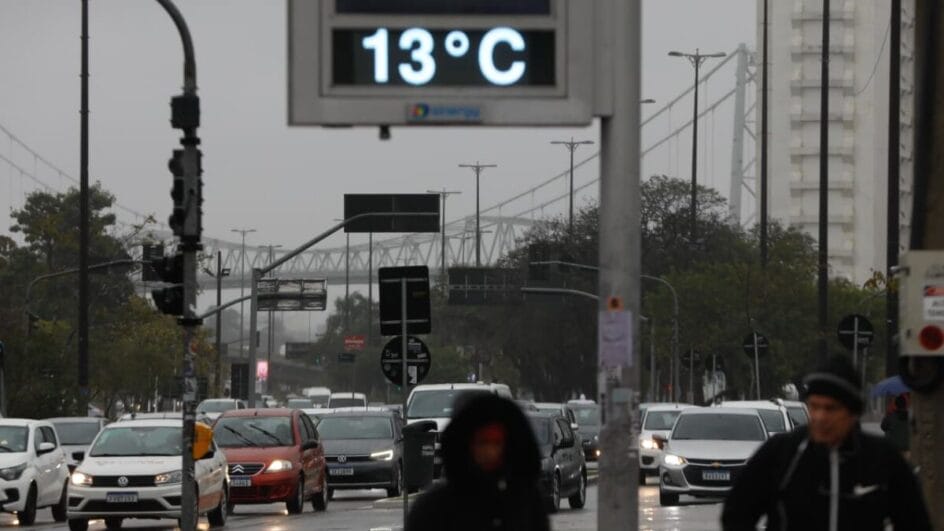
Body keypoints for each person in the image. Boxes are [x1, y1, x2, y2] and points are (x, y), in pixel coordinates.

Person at [721, 355, 931, 531]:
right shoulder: (782, 452)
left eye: (831, 408)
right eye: (814, 406)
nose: (820, 417)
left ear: (852, 412)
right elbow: (736, 515)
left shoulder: (882, 458)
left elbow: (915, 522)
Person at [405, 393, 550, 531]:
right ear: (466, 445)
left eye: (496, 443)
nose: (490, 451)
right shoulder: (433, 508)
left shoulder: (526, 502)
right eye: (483, 443)